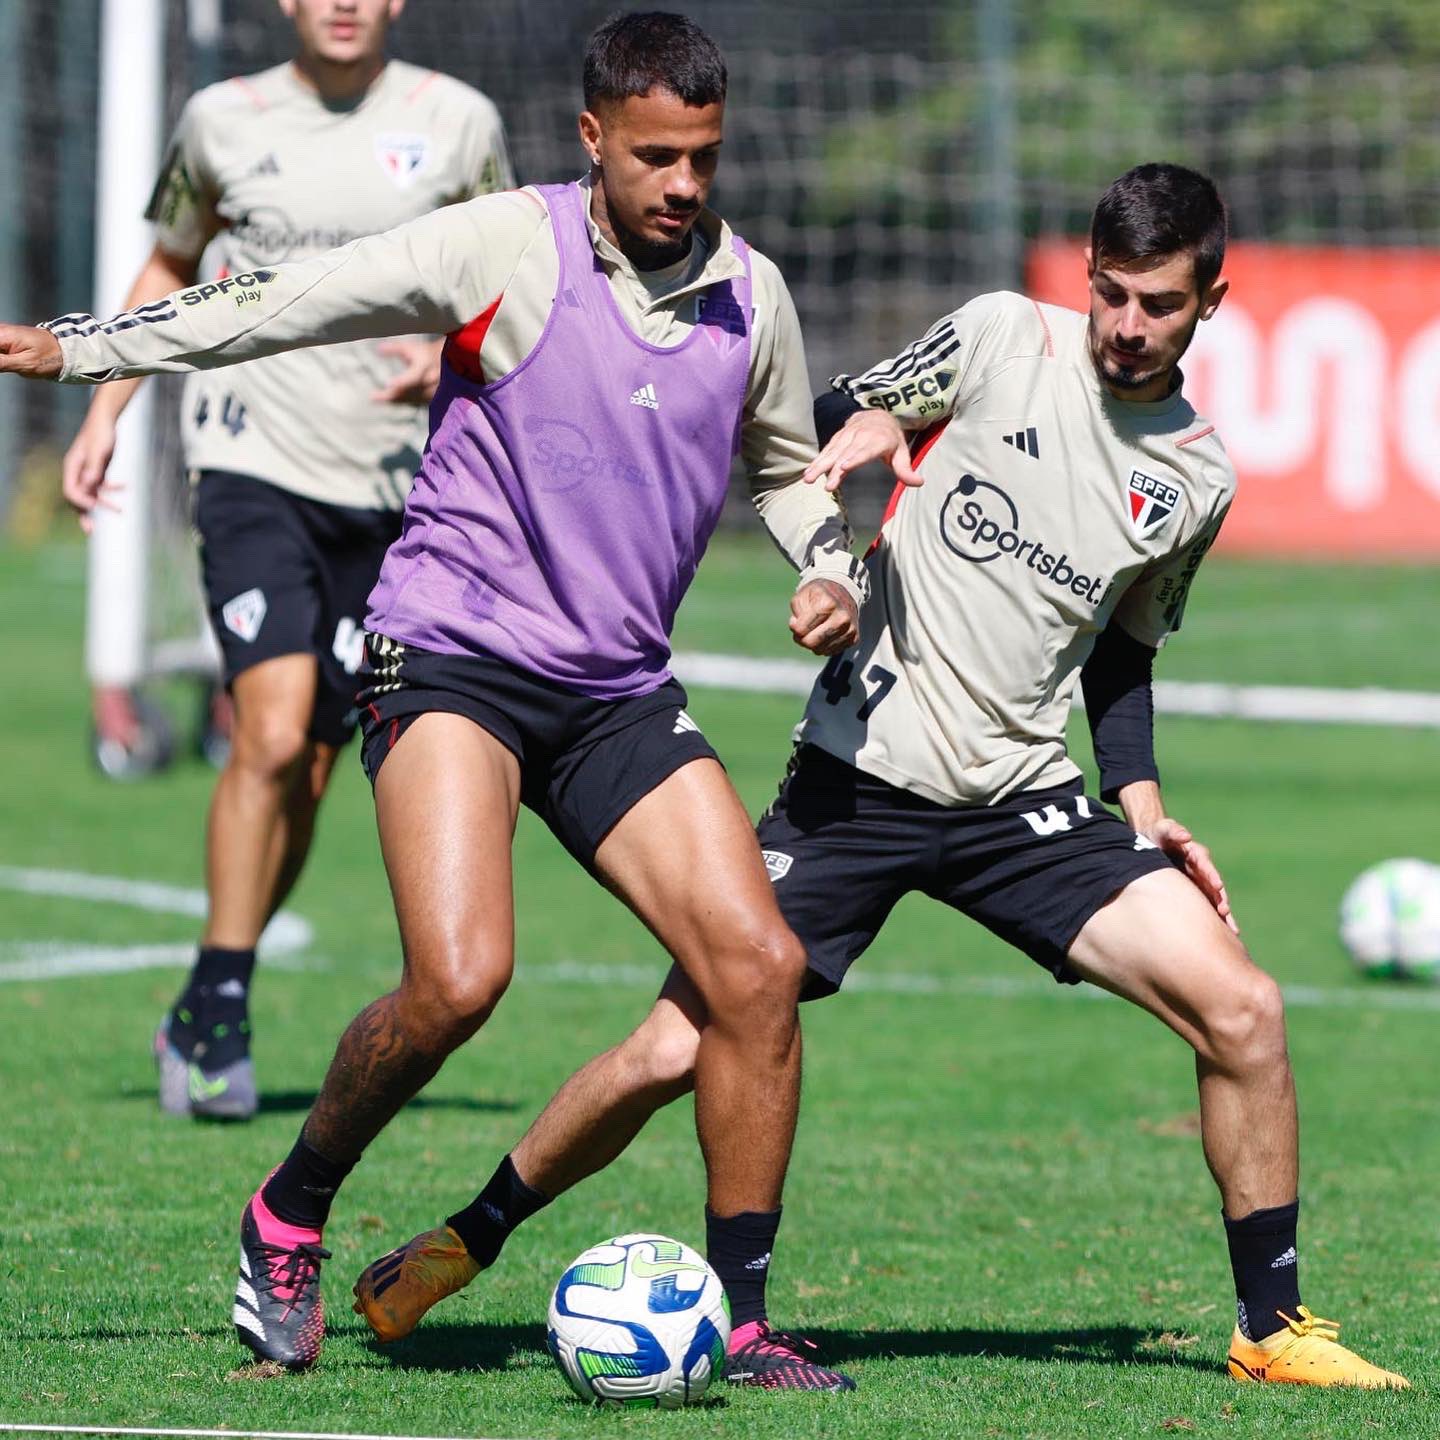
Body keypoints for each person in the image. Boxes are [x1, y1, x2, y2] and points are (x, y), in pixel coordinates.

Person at [340, 163, 1409, 1391]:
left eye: (1156, 303)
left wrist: (1150, 814)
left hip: (1024, 807)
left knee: (1246, 1009)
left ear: (1211, 299)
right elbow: (826, 411)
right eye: (1109, 293)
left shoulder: (1198, 478)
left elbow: (1123, 657)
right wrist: (887, 426)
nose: (1124, 325)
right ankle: (467, 1240)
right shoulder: (1007, 336)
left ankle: (1270, 1331)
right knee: (674, 1048)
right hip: (855, 786)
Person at [1, 11, 870, 1385]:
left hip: (615, 689)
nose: (684, 185)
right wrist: (86, 353)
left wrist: (832, 567)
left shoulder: (749, 295)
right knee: (460, 979)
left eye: (702, 157)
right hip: (450, 654)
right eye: (654, 157)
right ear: (593, 139)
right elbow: (283, 300)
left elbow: (788, 468)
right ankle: (289, 1211)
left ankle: (748, 1318)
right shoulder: (504, 244)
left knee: (757, 973)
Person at [59, 0, 514, 1120]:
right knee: (266, 726)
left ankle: (220, 978)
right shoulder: (220, 119)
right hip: (249, 459)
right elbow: (168, 263)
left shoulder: (457, 122)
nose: (344, 3)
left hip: (397, 485)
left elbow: (511, 276)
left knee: (312, 761)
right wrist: (105, 409)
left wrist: (455, 356)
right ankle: (218, 1000)